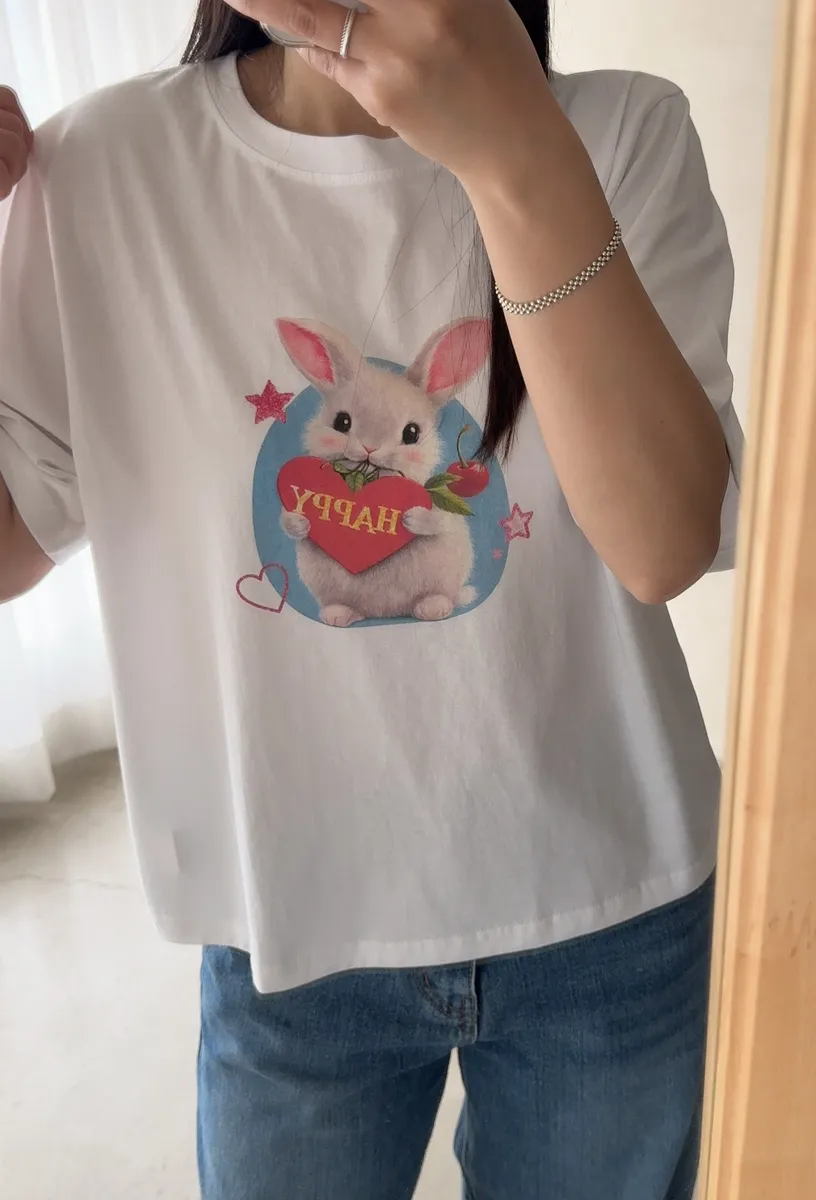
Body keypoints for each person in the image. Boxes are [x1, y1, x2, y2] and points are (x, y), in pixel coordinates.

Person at [0, 1, 743, 1196]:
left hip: (611, 906)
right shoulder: (100, 170)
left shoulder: (622, 132)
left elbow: (663, 541)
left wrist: (514, 150)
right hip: (290, 926)